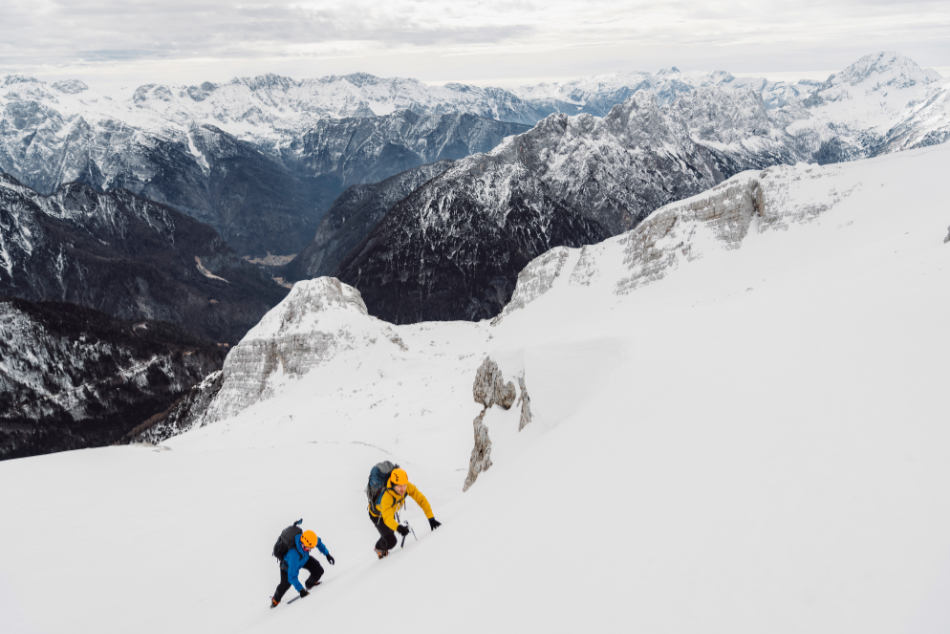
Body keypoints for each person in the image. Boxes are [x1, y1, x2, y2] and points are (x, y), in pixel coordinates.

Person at [368, 467, 441, 558]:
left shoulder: (408, 487)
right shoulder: (386, 497)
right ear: (393, 484)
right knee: (392, 542)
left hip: (389, 512)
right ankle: (379, 548)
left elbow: (421, 500)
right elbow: (387, 519)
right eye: (399, 486)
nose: (403, 489)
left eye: (404, 485)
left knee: (390, 533)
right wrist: (399, 528)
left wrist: (431, 519)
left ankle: (385, 540)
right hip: (377, 515)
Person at [271, 529, 335, 608]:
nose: (310, 549)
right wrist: (301, 590)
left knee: (318, 570)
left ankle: (309, 584)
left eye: (311, 548)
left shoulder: (311, 539)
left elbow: (319, 543)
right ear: (303, 543)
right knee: (284, 585)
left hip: (304, 559)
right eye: (308, 548)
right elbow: (292, 576)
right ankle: (275, 600)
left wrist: (327, 554)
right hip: (288, 567)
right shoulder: (294, 554)